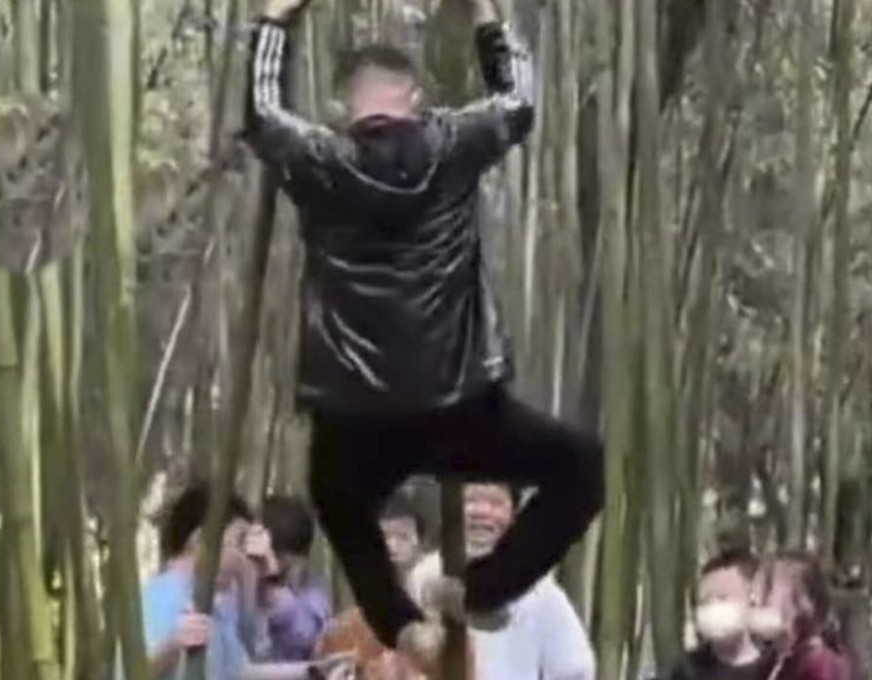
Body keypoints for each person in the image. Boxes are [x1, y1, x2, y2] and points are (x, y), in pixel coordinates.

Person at [243, 0, 605, 669]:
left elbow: (262, 116)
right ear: (413, 97)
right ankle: (480, 592)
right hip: (458, 403)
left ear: (350, 104)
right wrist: (488, 16)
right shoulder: (452, 143)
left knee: (338, 504)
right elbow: (519, 100)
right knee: (580, 466)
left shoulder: (320, 159)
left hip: (357, 417)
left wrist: (272, 22)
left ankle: (403, 625)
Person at [131, 483, 351, 680]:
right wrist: (171, 648)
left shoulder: (218, 605)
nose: (245, 555)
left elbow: (240, 671)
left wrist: (314, 670)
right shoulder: (160, 598)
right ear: (199, 541)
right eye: (239, 541)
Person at [409, 483, 596, 680]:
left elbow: (574, 669)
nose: (482, 511)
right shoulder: (424, 575)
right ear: (450, 508)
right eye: (472, 500)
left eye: (496, 503)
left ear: (515, 516)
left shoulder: (538, 588)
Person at [316, 490, 473, 680]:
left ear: (420, 543)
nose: (391, 546)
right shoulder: (344, 628)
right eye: (382, 537)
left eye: (403, 536)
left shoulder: (447, 631)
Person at [669, 549, 776, 680]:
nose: (714, 607)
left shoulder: (779, 665)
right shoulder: (687, 670)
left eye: (723, 597)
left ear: (752, 598)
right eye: (705, 601)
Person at [750, 552, 856, 680]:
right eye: (753, 591)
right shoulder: (773, 660)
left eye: (767, 589)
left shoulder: (820, 664)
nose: (754, 599)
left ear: (801, 602)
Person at [256, 494, 332, 662]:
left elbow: (306, 635)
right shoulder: (239, 582)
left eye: (291, 560)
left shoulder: (313, 592)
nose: (283, 565)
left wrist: (275, 583)